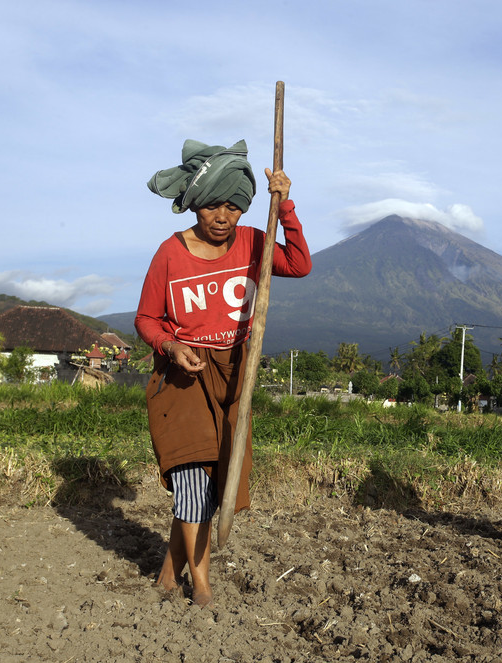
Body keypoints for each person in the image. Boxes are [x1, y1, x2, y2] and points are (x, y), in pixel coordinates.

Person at [135, 139, 312, 607]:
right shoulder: (170, 254)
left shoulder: (257, 240)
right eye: (213, 204)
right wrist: (171, 347)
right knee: (192, 480)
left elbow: (298, 264)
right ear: (195, 204)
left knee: (212, 483)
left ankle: (169, 570)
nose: (223, 216)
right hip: (183, 379)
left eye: (233, 207)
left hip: (235, 377)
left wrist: (284, 204)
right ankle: (203, 585)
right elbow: (146, 319)